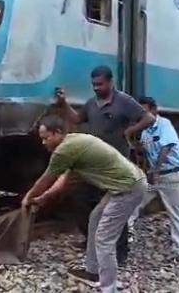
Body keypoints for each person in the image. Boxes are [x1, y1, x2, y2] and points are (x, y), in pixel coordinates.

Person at [23, 116, 147, 292]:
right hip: (122, 186)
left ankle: (108, 287)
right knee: (95, 218)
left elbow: (46, 179)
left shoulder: (65, 150)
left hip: (128, 188)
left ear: (57, 133)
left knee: (104, 239)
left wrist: (27, 197)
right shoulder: (74, 142)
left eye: (45, 137)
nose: (43, 142)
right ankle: (92, 271)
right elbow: (64, 180)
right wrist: (44, 198)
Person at [54, 65, 154, 263]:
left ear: (110, 82)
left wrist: (129, 131)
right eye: (93, 85)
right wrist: (63, 103)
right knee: (81, 198)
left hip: (116, 164)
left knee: (116, 207)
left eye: (100, 84)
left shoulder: (124, 101)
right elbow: (76, 119)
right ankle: (90, 239)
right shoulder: (92, 104)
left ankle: (121, 252)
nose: (96, 88)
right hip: (94, 162)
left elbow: (148, 118)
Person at [128, 97, 179, 260]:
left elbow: (166, 146)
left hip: (172, 174)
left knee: (177, 211)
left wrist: (155, 170)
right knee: (133, 203)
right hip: (156, 177)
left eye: (145, 111)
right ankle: (126, 239)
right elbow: (145, 152)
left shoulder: (164, 124)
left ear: (154, 110)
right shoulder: (145, 132)